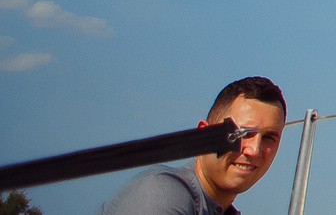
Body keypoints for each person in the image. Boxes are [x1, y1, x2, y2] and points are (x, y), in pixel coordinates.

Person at [100, 78, 289, 215]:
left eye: (269, 138)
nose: (254, 150)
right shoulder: (164, 194)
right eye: (242, 133)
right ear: (203, 134)